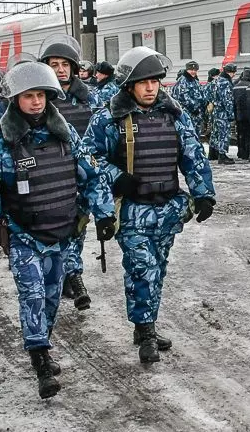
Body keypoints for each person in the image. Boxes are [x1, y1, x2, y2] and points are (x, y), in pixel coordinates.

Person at [0, 61, 116, 398]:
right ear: (15, 100)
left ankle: (42, 344)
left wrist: (105, 214)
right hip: (23, 235)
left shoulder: (66, 135)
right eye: (28, 96)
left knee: (51, 297)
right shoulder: (0, 141)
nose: (36, 102)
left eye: (40, 95)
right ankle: (40, 360)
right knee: (33, 295)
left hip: (61, 233)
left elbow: (91, 176)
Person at [86, 47, 216, 364]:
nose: (150, 88)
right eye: (143, 82)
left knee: (157, 269)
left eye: (155, 81)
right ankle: (145, 332)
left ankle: (146, 324)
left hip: (168, 210)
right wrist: (117, 177)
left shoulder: (174, 115)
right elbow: (89, 158)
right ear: (129, 85)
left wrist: (203, 193)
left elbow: (192, 155)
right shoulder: (109, 119)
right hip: (133, 212)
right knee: (142, 269)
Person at [39, 34, 98, 309]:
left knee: (78, 227)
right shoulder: (41, 98)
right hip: (51, 174)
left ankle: (71, 275)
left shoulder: (89, 98)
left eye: (65, 64)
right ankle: (66, 275)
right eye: (54, 64)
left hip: (81, 174)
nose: (60, 69)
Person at [209, 63, 237, 164]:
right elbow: (227, 100)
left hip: (216, 111)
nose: (234, 75)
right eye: (234, 72)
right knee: (224, 133)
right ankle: (222, 155)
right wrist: (231, 114)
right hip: (223, 112)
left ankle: (214, 153)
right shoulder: (225, 82)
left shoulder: (217, 81)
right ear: (230, 72)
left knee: (216, 133)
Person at [171, 59, 208, 135]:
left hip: (197, 115)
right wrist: (195, 108)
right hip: (188, 114)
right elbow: (184, 97)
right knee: (189, 135)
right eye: (191, 70)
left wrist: (204, 104)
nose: (193, 72)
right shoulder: (183, 81)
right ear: (187, 70)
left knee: (196, 135)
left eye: (195, 70)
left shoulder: (195, 81)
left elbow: (201, 94)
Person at [233, 68, 250, 160]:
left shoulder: (235, 86)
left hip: (239, 114)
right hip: (249, 115)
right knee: (249, 134)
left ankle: (241, 152)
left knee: (240, 134)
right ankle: (248, 153)